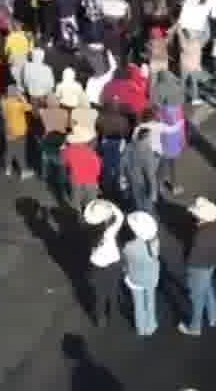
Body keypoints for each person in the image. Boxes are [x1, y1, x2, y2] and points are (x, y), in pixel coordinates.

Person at [178, 196, 216, 337]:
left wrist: (187, 264)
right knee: (208, 288)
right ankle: (212, 317)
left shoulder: (200, 234)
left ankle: (195, 327)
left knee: (197, 298)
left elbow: (193, 255)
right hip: (210, 264)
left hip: (197, 269)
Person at [83, 199, 124, 328]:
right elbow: (120, 217)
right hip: (113, 264)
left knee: (99, 295)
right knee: (113, 291)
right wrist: (112, 207)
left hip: (97, 266)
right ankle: (114, 316)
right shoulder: (109, 232)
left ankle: (100, 319)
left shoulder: (89, 231)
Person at [122, 210, 161, 337]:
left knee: (138, 304)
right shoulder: (154, 241)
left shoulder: (127, 245)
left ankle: (141, 328)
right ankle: (151, 325)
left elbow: (124, 262)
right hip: (151, 277)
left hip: (135, 278)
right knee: (150, 301)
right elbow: (156, 256)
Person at [63, 125, 102, 212]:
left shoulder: (67, 150)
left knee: (76, 201)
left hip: (75, 179)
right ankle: (90, 217)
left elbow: (64, 163)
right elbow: (97, 166)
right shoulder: (90, 150)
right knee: (91, 202)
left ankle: (79, 217)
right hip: (90, 180)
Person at [0, 85, 33, 177]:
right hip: (19, 132)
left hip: (8, 130)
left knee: (9, 150)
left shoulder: (3, 103)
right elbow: (29, 108)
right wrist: (22, 98)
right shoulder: (19, 105)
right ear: (15, 93)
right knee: (21, 151)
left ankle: (8, 169)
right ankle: (24, 171)